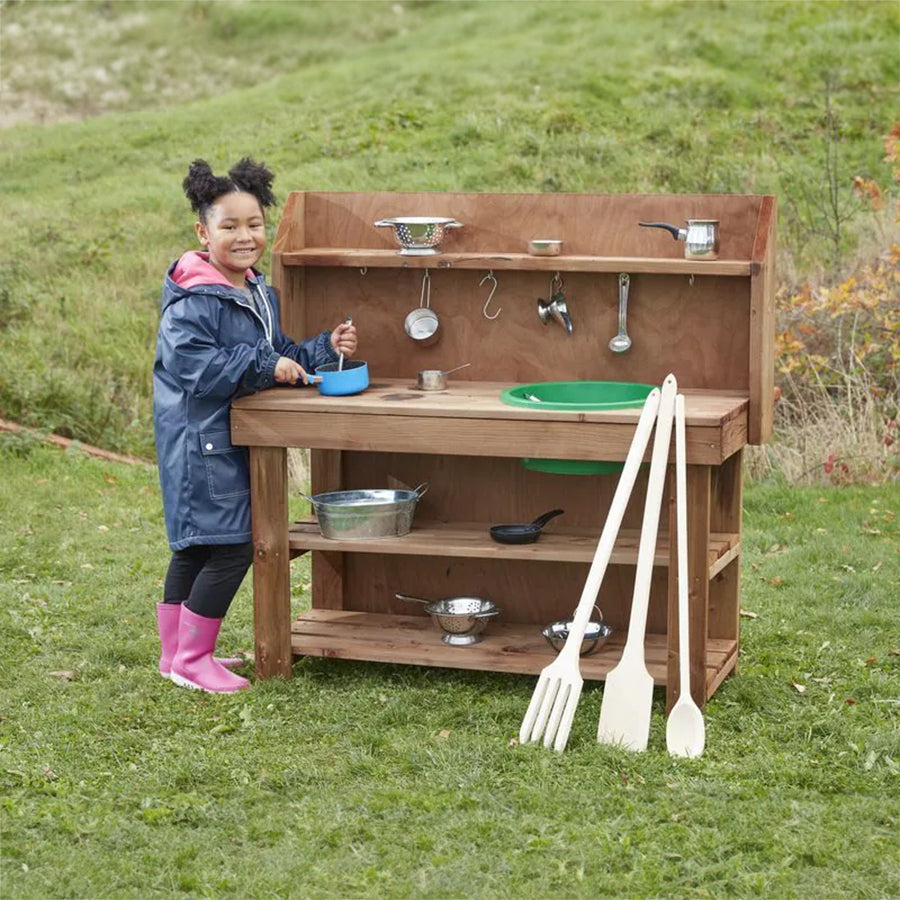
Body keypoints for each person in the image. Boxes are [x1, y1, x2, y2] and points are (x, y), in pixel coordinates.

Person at [152, 158, 357, 693]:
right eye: (229, 226)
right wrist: (267, 366)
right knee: (232, 544)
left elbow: (277, 352)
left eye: (254, 224)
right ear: (203, 232)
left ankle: (176, 656)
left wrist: (321, 350)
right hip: (201, 444)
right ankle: (194, 659)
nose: (245, 236)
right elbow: (198, 368)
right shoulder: (194, 301)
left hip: (224, 439)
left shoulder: (256, 290)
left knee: (196, 547)